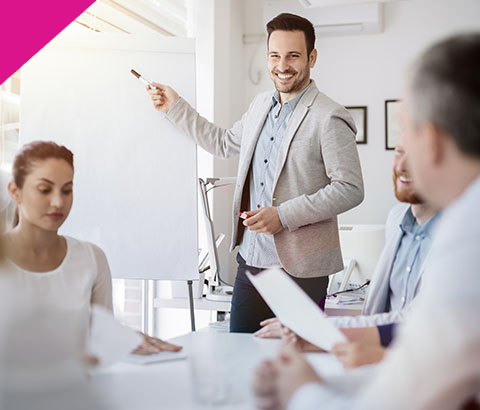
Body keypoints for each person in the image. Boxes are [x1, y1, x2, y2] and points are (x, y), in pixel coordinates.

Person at [252, 32, 480, 410]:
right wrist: (326, 344)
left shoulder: (468, 230)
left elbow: (407, 394)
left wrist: (302, 391)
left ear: (433, 141)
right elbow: (422, 355)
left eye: (407, 129)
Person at [148, 13, 364, 333]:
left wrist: (283, 215)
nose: (282, 65)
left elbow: (350, 188)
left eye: (293, 55)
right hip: (251, 261)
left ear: (312, 57)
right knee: (240, 352)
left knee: (295, 364)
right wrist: (175, 108)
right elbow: (222, 143)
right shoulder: (260, 105)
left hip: (302, 269)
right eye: (275, 55)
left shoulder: (328, 116)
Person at [255, 134, 440, 368]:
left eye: (416, 156)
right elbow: (378, 316)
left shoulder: (461, 237)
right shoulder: (396, 219)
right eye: (399, 151)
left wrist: (319, 328)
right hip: (383, 366)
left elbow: (414, 322)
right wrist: (318, 338)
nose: (402, 166)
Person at [1, 140, 181, 357]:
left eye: (67, 191)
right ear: (15, 191)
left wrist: (122, 341)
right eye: (44, 189)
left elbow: (101, 339)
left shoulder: (91, 258)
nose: (58, 202)